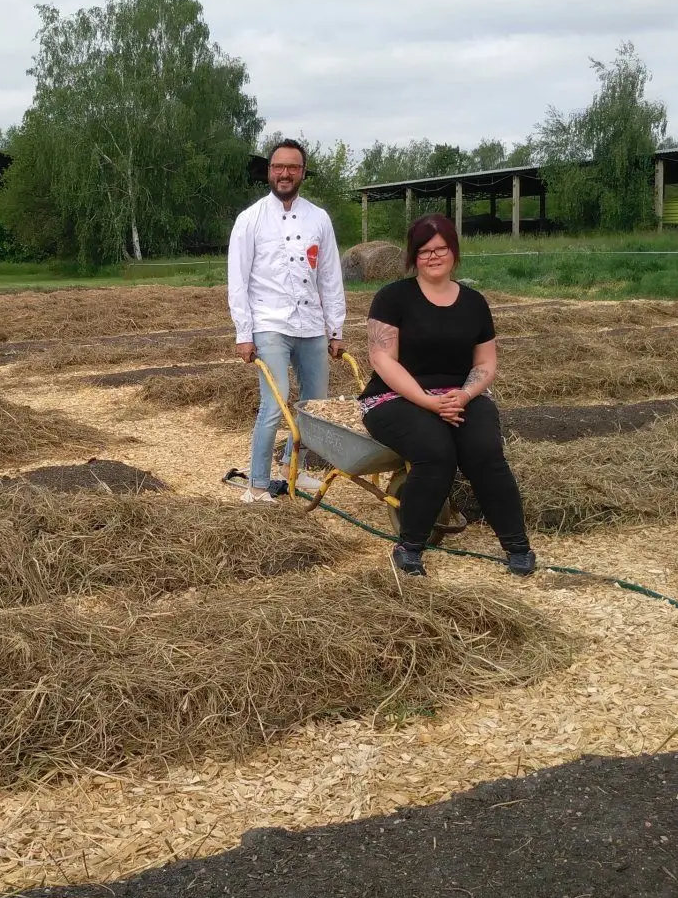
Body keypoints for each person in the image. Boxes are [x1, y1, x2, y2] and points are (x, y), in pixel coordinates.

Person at [359, 213, 535, 576]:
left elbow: (485, 363)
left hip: (461, 395)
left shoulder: (474, 303)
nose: (433, 256)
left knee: (484, 452)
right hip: (396, 397)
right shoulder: (392, 297)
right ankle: (409, 547)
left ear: (453, 251)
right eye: (424, 250)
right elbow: (382, 359)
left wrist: (464, 395)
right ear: (413, 256)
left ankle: (517, 546)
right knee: (435, 452)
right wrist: (428, 401)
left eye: (440, 249)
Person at [227, 139, 347, 502]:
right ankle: (257, 485)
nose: (285, 173)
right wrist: (244, 333)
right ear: (269, 171)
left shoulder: (318, 218)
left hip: (310, 323)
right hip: (269, 323)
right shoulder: (250, 219)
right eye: (278, 167)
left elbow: (330, 276)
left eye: (292, 167)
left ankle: (292, 468)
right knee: (274, 402)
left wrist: (336, 329)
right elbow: (238, 280)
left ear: (303, 172)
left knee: (315, 404)